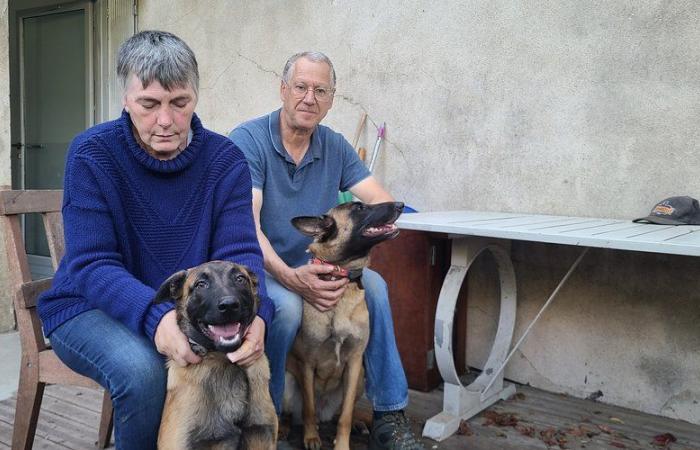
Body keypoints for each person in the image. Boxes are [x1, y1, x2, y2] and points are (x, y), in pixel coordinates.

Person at [37, 30, 272, 450]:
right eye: (149, 104)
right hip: (87, 306)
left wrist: (261, 318)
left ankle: (246, 436)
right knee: (143, 369)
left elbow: (238, 254)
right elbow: (92, 264)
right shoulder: (92, 154)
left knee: (281, 318)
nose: (165, 120)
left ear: (195, 97)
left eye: (179, 103)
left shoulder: (225, 159)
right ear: (126, 99)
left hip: (190, 304)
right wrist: (155, 318)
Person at [229, 51, 424, 450]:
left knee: (379, 289)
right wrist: (291, 277)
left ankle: (390, 413)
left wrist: (382, 223)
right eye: (301, 87)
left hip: (325, 262)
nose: (309, 97)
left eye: (321, 90)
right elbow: (246, 227)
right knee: (283, 309)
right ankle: (270, 419)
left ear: (331, 99)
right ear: (283, 90)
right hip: (265, 264)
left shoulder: (334, 146)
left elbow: (378, 201)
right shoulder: (249, 140)